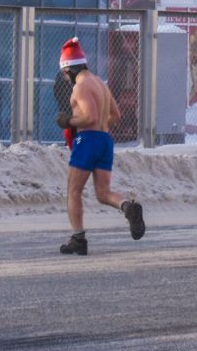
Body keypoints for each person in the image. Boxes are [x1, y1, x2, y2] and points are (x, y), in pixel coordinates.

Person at [56, 37, 146, 256]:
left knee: (73, 191)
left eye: (65, 75)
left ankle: (78, 238)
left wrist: (69, 122)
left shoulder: (80, 87)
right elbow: (115, 115)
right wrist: (100, 127)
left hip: (87, 140)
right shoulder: (100, 84)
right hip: (105, 140)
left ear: (68, 70)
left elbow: (89, 116)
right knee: (103, 193)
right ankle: (127, 206)